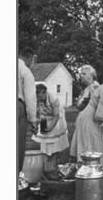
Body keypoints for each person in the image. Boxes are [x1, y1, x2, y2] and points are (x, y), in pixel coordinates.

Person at [32, 83, 69, 172]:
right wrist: (36, 125)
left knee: (54, 145)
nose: (39, 99)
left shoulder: (53, 99)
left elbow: (56, 116)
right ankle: (46, 166)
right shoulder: (36, 99)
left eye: (40, 96)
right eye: (37, 97)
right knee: (44, 144)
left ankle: (53, 166)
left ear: (44, 93)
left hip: (56, 120)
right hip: (44, 118)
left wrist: (50, 128)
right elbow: (36, 113)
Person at [17, 47, 38, 187]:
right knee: (17, 144)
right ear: (29, 58)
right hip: (17, 106)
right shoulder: (25, 71)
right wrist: (33, 120)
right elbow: (30, 97)